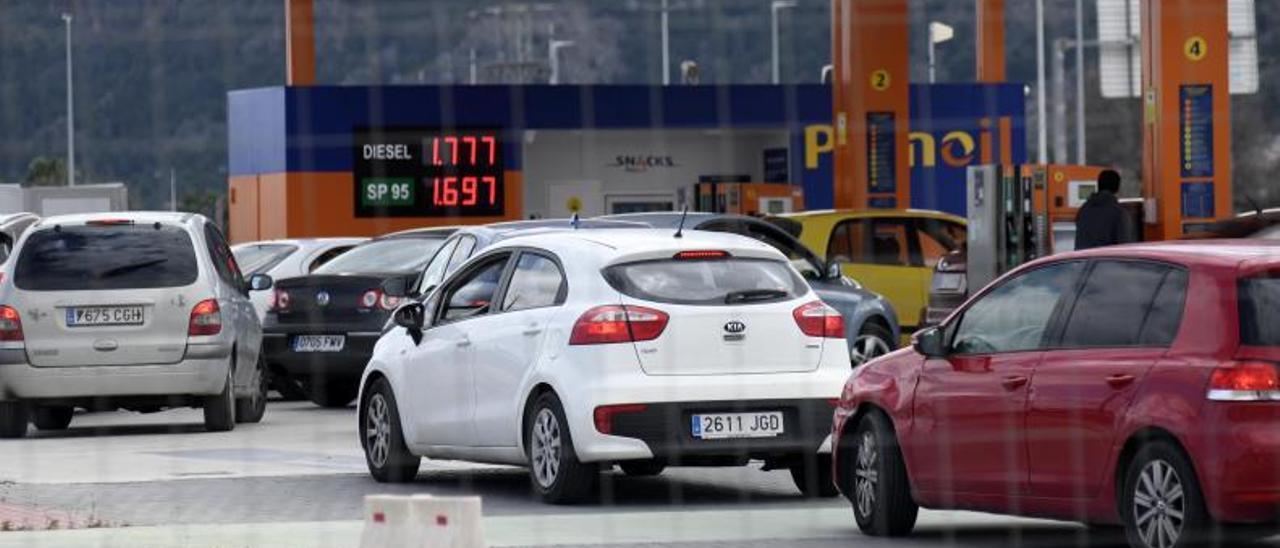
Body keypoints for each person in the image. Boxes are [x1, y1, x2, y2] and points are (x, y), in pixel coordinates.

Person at [1074, 169, 1133, 250]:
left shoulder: (1083, 210)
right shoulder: (1119, 213)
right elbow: (1125, 248)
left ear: (1098, 185)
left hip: (1084, 261)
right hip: (1107, 261)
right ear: (1117, 188)